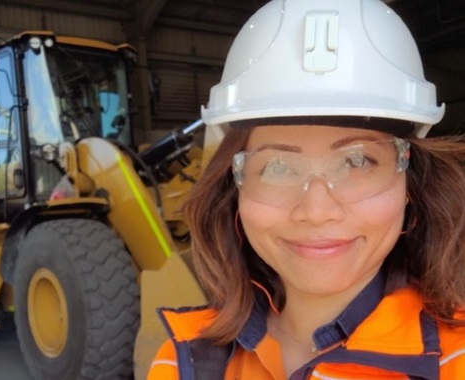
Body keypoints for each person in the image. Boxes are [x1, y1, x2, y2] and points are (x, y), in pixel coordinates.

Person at [147, 0, 465, 378]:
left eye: (357, 161)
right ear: (234, 190)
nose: (316, 211)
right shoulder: (182, 363)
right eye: (278, 167)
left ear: (408, 182)